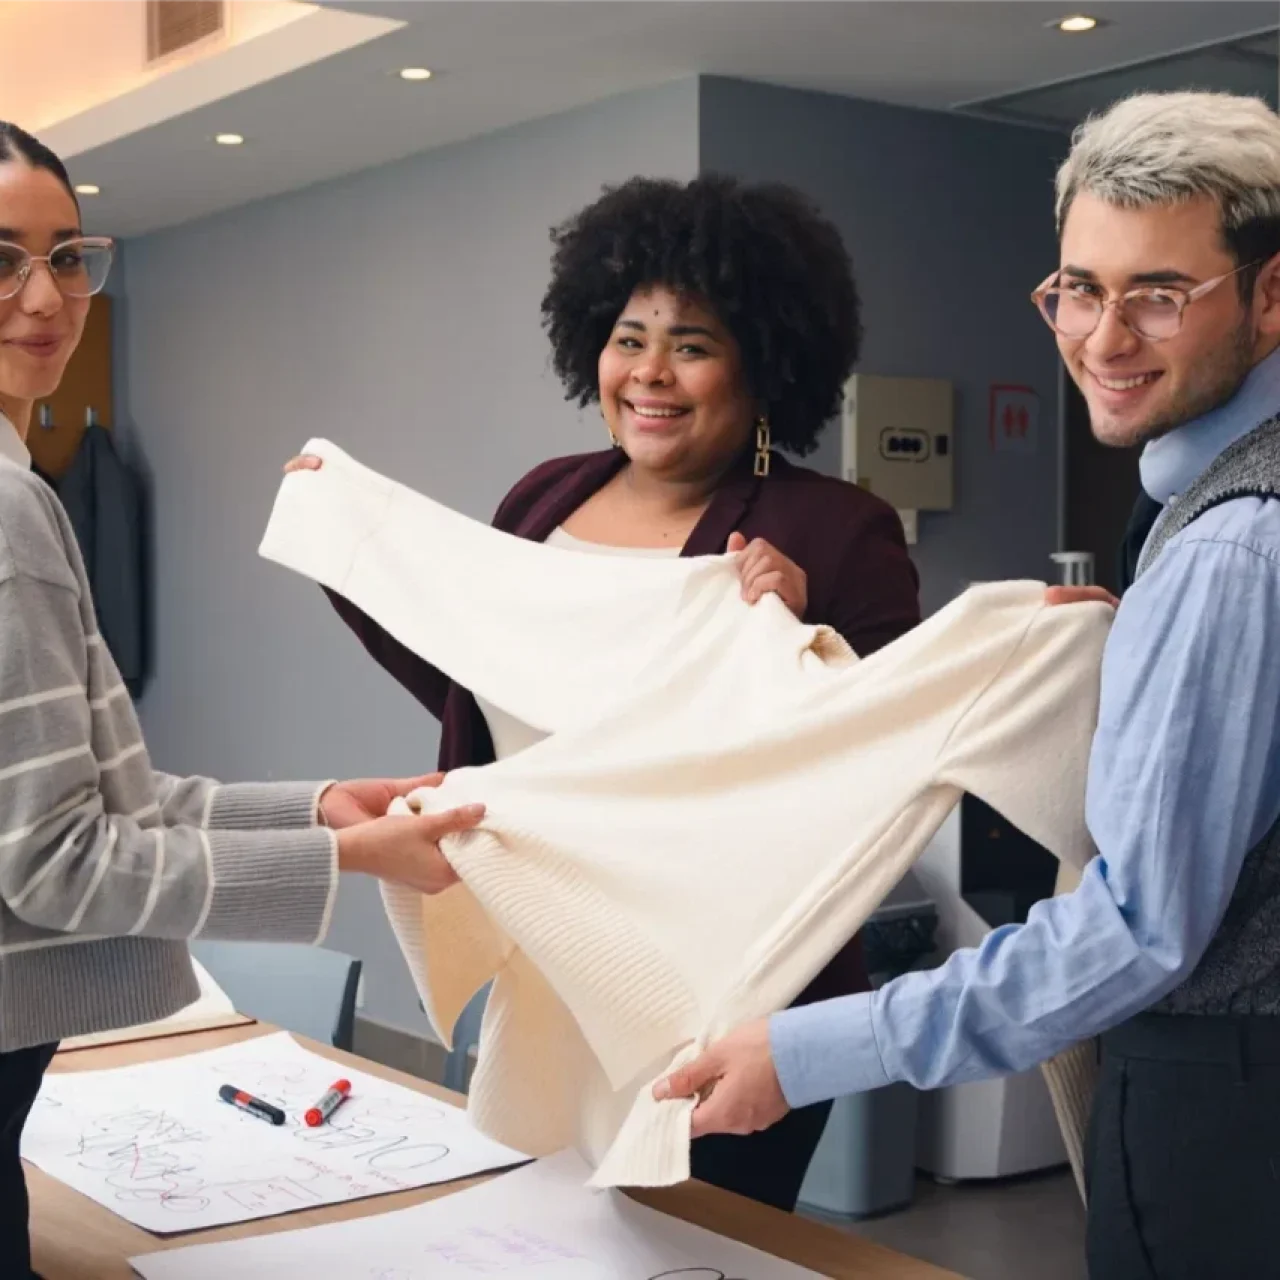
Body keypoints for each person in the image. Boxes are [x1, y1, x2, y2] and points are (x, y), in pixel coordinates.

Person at [656, 91, 1280, 1279]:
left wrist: (807, 1051)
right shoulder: (1206, 520)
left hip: (1228, 1118)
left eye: (1157, 293)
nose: (1101, 337)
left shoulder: (1228, 547)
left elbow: (1140, 928)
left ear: (1267, 293)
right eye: (1077, 289)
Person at [291, 174, 922, 1212]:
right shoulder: (547, 495)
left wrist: (808, 637)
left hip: (720, 998)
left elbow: (887, 761)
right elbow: (477, 680)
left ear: (765, 361)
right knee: (537, 1235)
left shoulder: (836, 529)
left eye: (692, 344)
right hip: (547, 960)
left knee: (689, 1246)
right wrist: (355, 556)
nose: (650, 373)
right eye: (630, 338)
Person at [0, 123, 483, 1278]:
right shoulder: (10, 517)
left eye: (66, 256)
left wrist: (315, 807)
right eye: (1, 258)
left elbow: (102, 797)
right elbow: (58, 861)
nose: (45, 295)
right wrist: (349, 856)